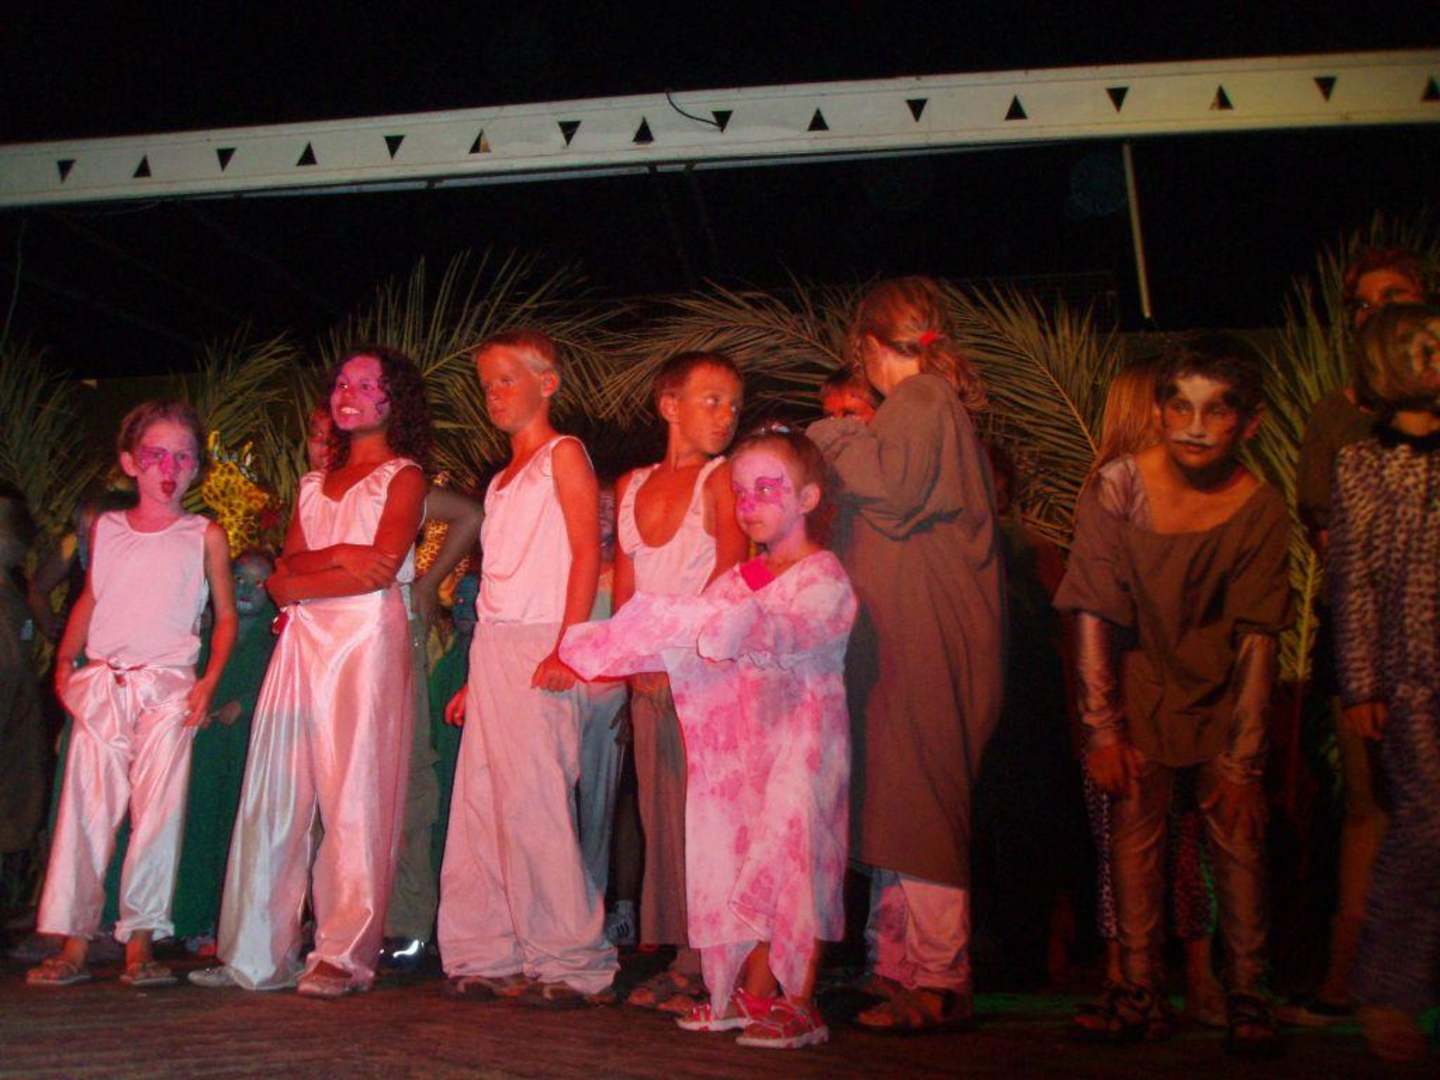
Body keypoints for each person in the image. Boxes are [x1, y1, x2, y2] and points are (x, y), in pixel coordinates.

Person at [564, 424, 857, 1049]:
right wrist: (620, 643)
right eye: (741, 493)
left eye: (767, 490)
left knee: (793, 863)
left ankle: (801, 1001)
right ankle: (753, 994)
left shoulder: (824, 576)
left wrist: (727, 627)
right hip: (746, 754)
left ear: (807, 498)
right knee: (745, 862)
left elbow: (781, 632)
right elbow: (699, 635)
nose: (749, 504)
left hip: (801, 748)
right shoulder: (739, 579)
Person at [1054, 335, 1292, 1056]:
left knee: (1237, 841)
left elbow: (1257, 635)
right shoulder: (1120, 487)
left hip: (1222, 693)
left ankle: (1247, 992)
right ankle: (1137, 990)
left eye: (1216, 411)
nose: (1195, 426)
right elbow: (1094, 609)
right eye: (1181, 407)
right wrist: (1102, 730)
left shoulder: (1257, 506)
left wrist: (1244, 760)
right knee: (1134, 836)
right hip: (1141, 685)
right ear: (1158, 412)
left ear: (1248, 423)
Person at [193, 346, 430, 996]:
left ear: (394, 399)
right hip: (303, 638)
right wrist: (341, 556)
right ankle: (254, 953)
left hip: (363, 641)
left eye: (366, 384)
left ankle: (343, 954)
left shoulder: (404, 476)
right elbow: (280, 576)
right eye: (341, 382)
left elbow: (380, 569)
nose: (347, 392)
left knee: (354, 794)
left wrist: (309, 575)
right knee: (274, 787)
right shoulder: (310, 483)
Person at [808, 276, 1005, 1033]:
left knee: (919, 797)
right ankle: (897, 966)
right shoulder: (919, 406)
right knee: (894, 795)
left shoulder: (921, 400)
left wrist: (830, 436)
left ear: (866, 345)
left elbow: (892, 493)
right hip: (900, 631)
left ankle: (941, 976)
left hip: (926, 632)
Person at [28, 400, 236, 988]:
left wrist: (208, 682)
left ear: (196, 467)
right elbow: (93, 597)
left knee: (157, 814)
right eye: (156, 455)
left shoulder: (204, 535)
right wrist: (65, 660)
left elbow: (224, 617)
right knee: (87, 809)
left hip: (169, 688)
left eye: (183, 457)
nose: (169, 468)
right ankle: (75, 938)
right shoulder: (109, 528)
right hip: (106, 682)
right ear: (129, 462)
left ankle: (140, 939)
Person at [437, 329, 617, 1007]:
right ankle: (489, 950)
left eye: (507, 380)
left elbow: (585, 551)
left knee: (536, 803)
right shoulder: (501, 478)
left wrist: (569, 646)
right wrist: (475, 679)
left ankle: (572, 960)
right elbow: (499, 579)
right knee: (482, 803)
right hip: (494, 647)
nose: (495, 395)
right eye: (487, 385)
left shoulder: (563, 454)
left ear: (548, 383)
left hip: (543, 641)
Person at [1283, 247, 1429, 1028]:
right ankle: (1354, 978)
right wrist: (1366, 672)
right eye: (1362, 303)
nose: (1377, 312)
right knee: (1377, 807)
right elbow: (1342, 554)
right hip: (1380, 650)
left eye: (1394, 296)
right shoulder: (1349, 431)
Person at [1075, 359, 1226, 1028]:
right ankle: (1189, 977)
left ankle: (1140, 979)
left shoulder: (1127, 487)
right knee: (1177, 833)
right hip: (1174, 683)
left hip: (1141, 680)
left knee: (1136, 833)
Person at [611, 351, 746, 1012]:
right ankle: (682, 956)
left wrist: (681, 660)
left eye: (733, 405)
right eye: (711, 400)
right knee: (660, 817)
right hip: (649, 680)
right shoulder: (632, 485)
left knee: (708, 820)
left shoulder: (723, 481)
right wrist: (634, 661)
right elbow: (625, 589)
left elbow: (730, 577)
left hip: (704, 677)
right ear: (670, 406)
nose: (725, 416)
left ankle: (713, 962)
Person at [1330, 303, 1440, 1064]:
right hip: (1410, 679)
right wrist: (1363, 681)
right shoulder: (1364, 463)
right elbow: (1355, 580)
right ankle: (1388, 991)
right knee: (1426, 823)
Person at [171, 552, 276, 951]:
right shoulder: (203, 632)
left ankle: (225, 922)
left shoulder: (276, 637)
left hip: (247, 745)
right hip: (204, 743)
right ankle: (187, 917)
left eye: (259, 582)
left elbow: (280, 682)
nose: (247, 589)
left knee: (236, 829)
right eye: (239, 579)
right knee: (195, 824)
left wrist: (245, 704)